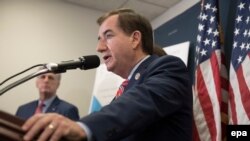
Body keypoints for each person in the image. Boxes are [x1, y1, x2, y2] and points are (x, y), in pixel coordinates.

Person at [21, 8, 193, 141]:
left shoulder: (169, 67)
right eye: (99, 39)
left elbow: (138, 104)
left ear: (134, 39)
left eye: (108, 36)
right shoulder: (126, 89)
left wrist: (82, 127)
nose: (99, 47)